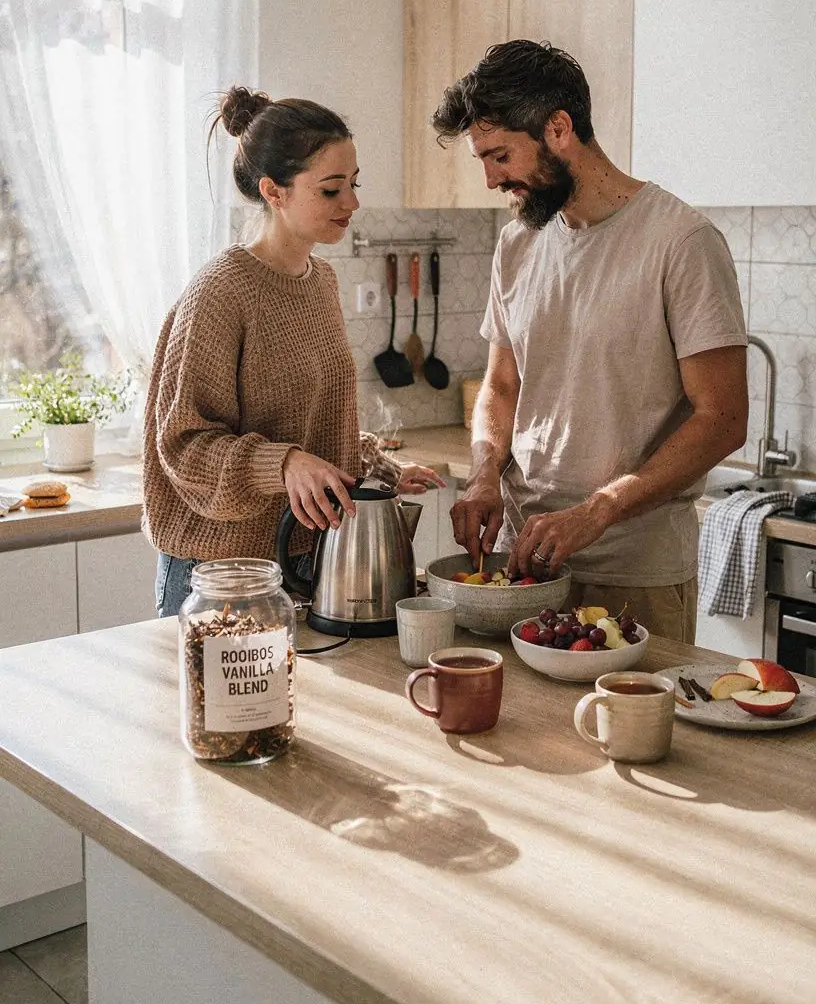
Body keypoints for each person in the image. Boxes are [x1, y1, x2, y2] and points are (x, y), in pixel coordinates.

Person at [432, 40, 748, 642]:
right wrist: (482, 473)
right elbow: (502, 384)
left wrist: (599, 509)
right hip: (519, 562)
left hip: (634, 572)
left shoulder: (681, 242)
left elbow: (723, 419)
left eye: (500, 156)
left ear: (558, 128)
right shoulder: (517, 244)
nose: (491, 178)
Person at [144, 88, 442, 618]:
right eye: (331, 190)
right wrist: (283, 464)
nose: (351, 204)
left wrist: (379, 466)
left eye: (353, 184)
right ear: (273, 191)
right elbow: (182, 445)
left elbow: (311, 422)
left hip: (303, 558)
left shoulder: (320, 281)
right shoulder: (220, 292)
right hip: (220, 571)